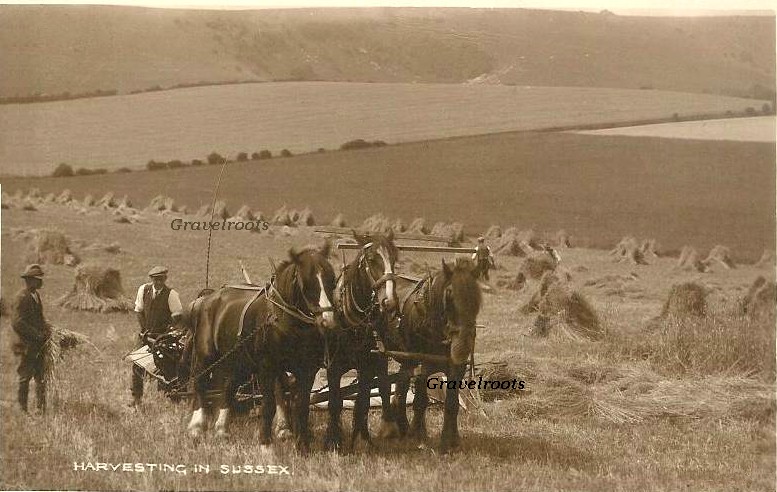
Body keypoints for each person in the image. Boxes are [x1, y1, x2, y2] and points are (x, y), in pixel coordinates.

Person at [129, 266, 183, 407]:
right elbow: (139, 311)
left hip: (163, 338)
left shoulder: (172, 295)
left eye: (161, 279)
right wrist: (144, 329)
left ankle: (169, 397)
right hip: (146, 335)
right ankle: (136, 397)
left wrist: (167, 333)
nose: (158, 282)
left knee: (165, 367)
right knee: (137, 364)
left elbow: (177, 317)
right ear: (151, 279)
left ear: (165, 279)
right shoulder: (143, 290)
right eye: (155, 279)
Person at [12, 264, 52, 414]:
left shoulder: (36, 295)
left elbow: (38, 317)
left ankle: (40, 409)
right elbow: (17, 322)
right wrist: (36, 334)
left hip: (38, 344)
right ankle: (22, 410)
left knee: (40, 376)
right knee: (25, 376)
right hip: (26, 345)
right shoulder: (21, 297)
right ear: (31, 280)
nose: (41, 282)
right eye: (38, 279)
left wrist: (46, 328)